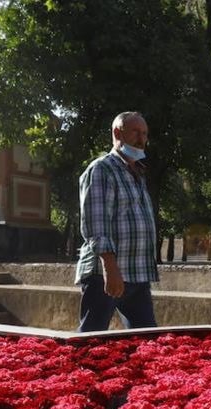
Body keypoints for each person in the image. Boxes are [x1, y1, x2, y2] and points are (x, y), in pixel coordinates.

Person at [74, 111, 159, 331]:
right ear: (117, 132)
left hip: (136, 271)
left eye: (145, 134)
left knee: (148, 340)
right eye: (135, 132)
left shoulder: (137, 172)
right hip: (107, 273)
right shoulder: (102, 169)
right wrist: (110, 268)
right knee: (92, 338)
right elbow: (96, 223)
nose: (141, 139)